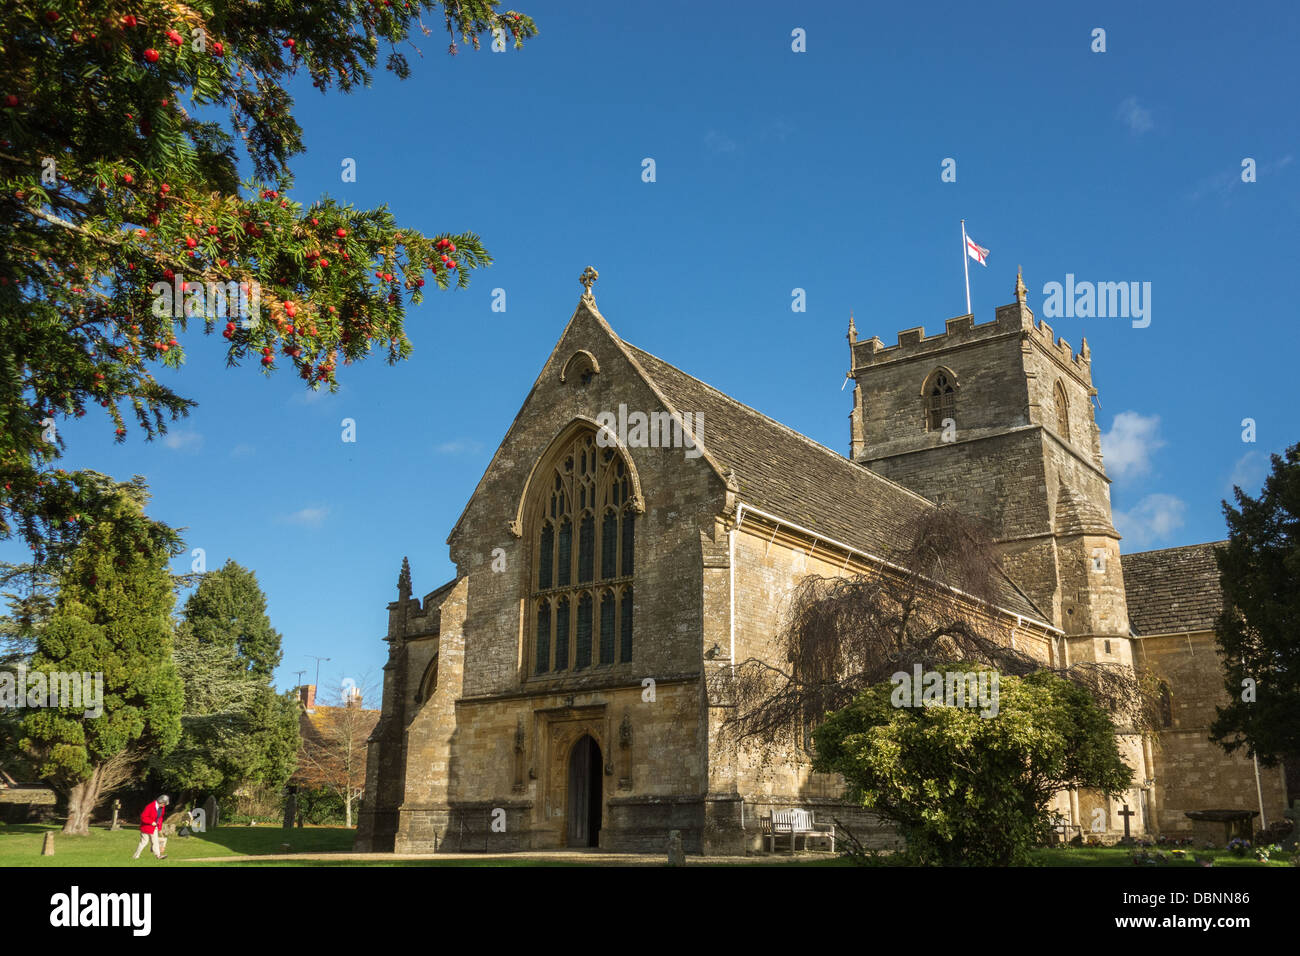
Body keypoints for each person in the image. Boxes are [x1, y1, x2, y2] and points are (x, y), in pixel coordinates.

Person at [131, 794, 170, 860]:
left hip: (154, 828)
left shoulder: (162, 808)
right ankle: (135, 856)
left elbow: (160, 817)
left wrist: (159, 827)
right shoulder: (150, 806)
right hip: (146, 827)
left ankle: (158, 856)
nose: (164, 805)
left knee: (155, 842)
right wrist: (151, 822)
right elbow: (143, 817)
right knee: (144, 842)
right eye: (164, 804)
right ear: (160, 802)